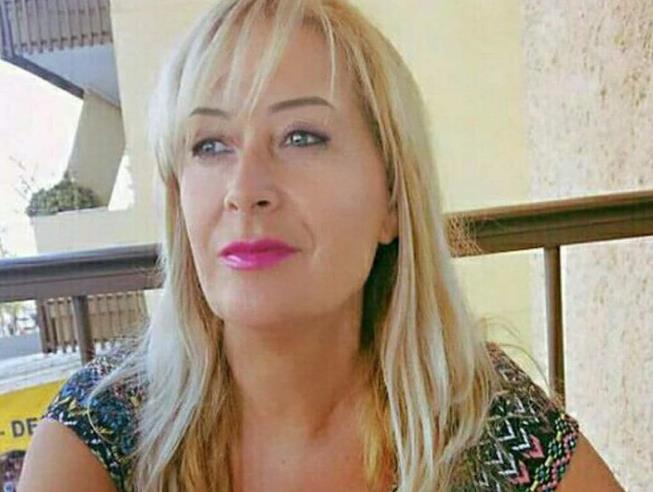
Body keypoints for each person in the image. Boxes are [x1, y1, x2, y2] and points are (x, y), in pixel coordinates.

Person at [18, 1, 623, 491]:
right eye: (210, 145)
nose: (244, 189)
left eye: (301, 136)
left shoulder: (484, 420)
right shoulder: (101, 432)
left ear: (393, 199)